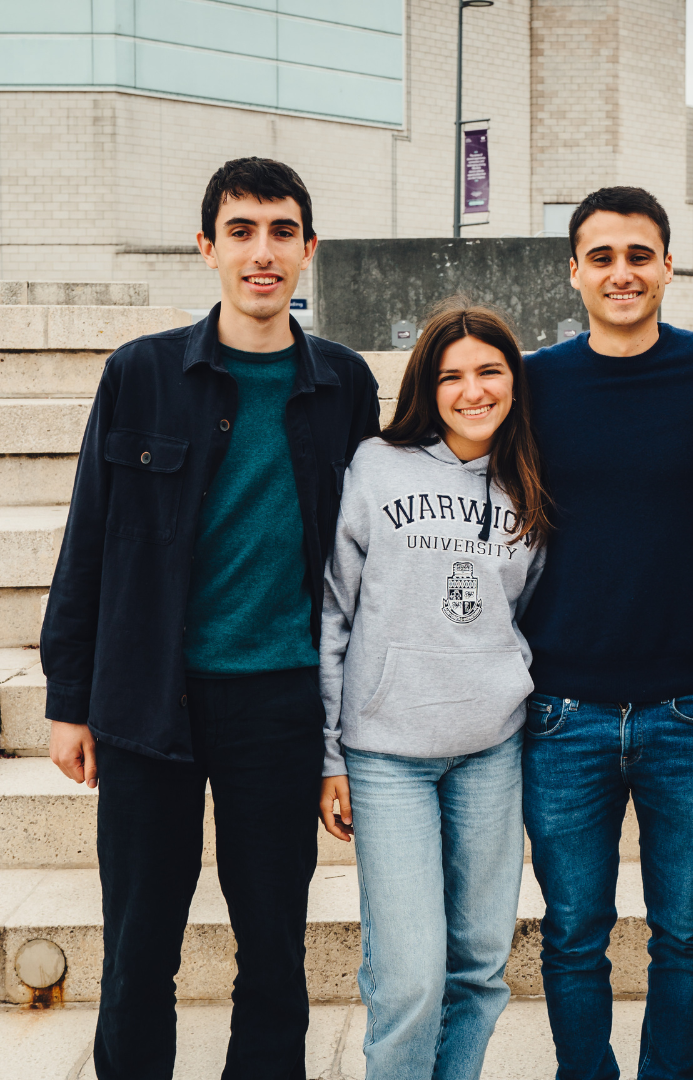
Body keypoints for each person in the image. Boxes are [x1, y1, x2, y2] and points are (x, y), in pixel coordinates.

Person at [43, 157, 380, 1080]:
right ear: (207, 247)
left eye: (281, 233)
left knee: (272, 948)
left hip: (277, 704)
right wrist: (70, 697)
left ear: (308, 250)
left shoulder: (345, 384)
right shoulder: (142, 373)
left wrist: (344, 737)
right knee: (138, 945)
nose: (261, 253)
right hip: (151, 700)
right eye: (241, 231)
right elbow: (90, 542)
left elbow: (363, 565)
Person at [520, 187, 693, 1079]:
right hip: (560, 707)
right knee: (573, 933)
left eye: (639, 254)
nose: (622, 272)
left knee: (686, 931)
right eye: (602, 256)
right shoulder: (532, 383)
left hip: (689, 706)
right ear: (573, 270)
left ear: (668, 265)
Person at [318, 300, 549, 1079]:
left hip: (490, 748)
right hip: (387, 754)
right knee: (411, 976)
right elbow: (334, 613)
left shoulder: (530, 480)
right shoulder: (377, 466)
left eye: (489, 371)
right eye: (452, 376)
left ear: (514, 380)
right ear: (427, 384)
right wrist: (330, 755)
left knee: (480, 967)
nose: (472, 390)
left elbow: (525, 611)